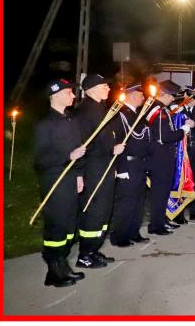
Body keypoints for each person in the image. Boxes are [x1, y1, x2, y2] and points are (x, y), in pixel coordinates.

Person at [35, 79, 87, 287]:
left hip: (70, 179)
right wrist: (68, 156)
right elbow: (40, 160)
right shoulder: (44, 124)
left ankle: (62, 264)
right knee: (57, 225)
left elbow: (78, 150)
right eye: (69, 93)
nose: (73, 96)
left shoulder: (70, 120)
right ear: (55, 95)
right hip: (54, 180)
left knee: (69, 224)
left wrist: (79, 174)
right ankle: (54, 270)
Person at [75, 73, 124, 268]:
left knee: (104, 210)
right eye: (104, 86)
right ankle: (85, 254)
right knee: (94, 211)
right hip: (94, 168)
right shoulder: (85, 112)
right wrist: (112, 150)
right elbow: (85, 143)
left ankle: (94, 249)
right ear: (92, 89)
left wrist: (113, 161)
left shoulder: (100, 108)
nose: (108, 89)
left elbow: (107, 137)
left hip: (105, 166)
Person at [146, 80, 195, 236]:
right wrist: (185, 129)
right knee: (159, 193)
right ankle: (156, 225)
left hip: (165, 157)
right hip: (159, 158)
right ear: (164, 94)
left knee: (164, 192)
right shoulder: (157, 111)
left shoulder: (162, 109)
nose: (173, 99)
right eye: (171, 95)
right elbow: (165, 136)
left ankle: (162, 220)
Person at [110, 83, 152, 248]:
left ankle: (134, 232)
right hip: (128, 163)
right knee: (126, 202)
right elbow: (117, 142)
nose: (144, 98)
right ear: (133, 96)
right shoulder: (119, 115)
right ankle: (120, 236)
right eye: (141, 95)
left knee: (138, 201)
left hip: (140, 163)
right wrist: (121, 168)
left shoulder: (137, 114)